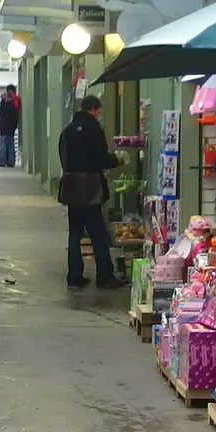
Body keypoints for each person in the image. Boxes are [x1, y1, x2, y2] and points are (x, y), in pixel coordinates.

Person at [57, 95, 126, 290]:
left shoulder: (68, 130)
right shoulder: (93, 128)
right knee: (98, 233)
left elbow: (63, 156)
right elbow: (101, 157)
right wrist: (116, 160)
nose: (99, 115)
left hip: (71, 187)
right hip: (90, 187)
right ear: (94, 109)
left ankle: (74, 275)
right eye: (99, 111)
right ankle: (105, 275)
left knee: (75, 232)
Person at [0, 85, 21, 167]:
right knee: (10, 144)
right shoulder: (16, 100)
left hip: (4, 125)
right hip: (12, 125)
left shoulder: (4, 100)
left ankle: (2, 161)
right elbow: (17, 113)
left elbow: (0, 113)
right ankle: (11, 161)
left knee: (3, 143)